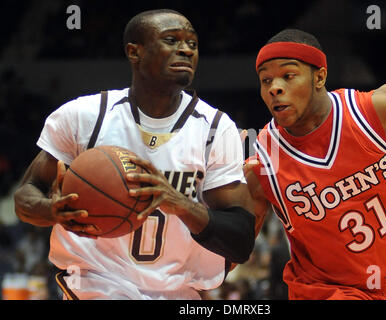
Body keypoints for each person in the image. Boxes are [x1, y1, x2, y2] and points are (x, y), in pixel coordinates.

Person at [13, 9, 255, 300]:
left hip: (180, 290)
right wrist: (51, 211)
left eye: (193, 43)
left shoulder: (217, 128)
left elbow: (240, 240)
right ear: (134, 52)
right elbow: (25, 197)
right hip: (96, 281)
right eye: (171, 40)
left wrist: (180, 204)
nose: (186, 50)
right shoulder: (84, 116)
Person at [244, 28, 386, 300]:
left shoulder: (370, 111)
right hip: (328, 292)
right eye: (265, 80)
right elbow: (237, 241)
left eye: (288, 75)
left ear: (320, 76)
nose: (274, 87)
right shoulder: (262, 159)